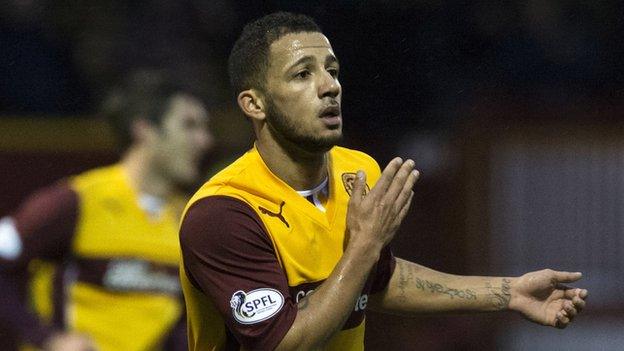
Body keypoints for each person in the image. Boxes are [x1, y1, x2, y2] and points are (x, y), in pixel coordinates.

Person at [178, 12, 588, 351]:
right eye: (302, 74)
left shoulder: (357, 171)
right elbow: (287, 342)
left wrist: (507, 293)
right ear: (254, 103)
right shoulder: (223, 212)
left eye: (332, 70)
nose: (329, 86)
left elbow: (374, 280)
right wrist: (366, 243)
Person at [0, 69, 214, 351]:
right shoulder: (77, 200)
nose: (205, 140)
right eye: (189, 125)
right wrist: (47, 338)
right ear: (145, 130)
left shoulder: (191, 219)